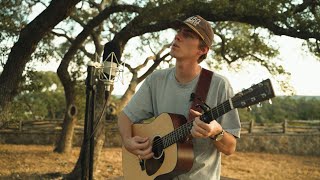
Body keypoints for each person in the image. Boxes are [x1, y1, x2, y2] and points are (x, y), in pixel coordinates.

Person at [117, 15, 241, 180]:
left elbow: (230, 148)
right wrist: (127, 140)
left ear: (202, 50)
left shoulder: (219, 85)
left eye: (188, 35)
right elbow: (125, 117)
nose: (178, 37)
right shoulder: (156, 80)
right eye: (179, 31)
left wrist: (216, 132)